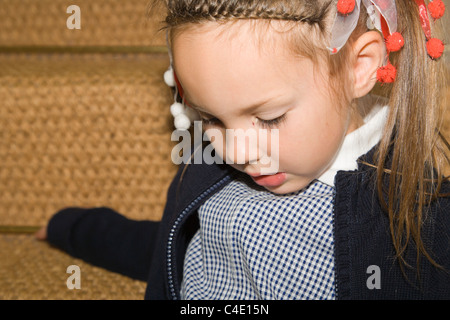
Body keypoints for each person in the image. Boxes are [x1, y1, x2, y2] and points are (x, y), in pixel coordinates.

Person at [36, 0, 450, 299]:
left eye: (268, 119)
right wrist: (73, 229)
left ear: (360, 67)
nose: (235, 150)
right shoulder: (208, 175)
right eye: (211, 119)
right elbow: (174, 249)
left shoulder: (419, 218)